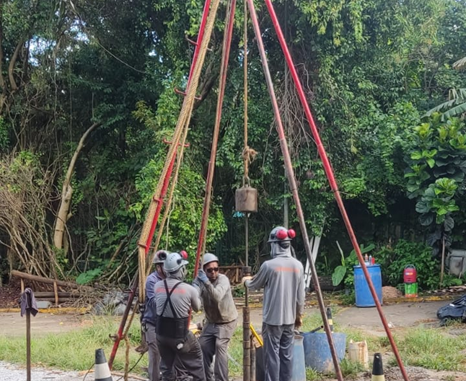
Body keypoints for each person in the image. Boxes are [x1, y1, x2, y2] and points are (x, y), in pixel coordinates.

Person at [243, 226, 305, 381]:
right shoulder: (297, 266)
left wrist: (245, 281)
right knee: (287, 356)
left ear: (275, 244)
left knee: (272, 358)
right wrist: (299, 315)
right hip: (290, 321)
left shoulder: (269, 266)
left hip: (272, 321)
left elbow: (253, 285)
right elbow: (301, 296)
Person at [154, 252, 205, 381]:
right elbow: (197, 307)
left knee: (167, 368)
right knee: (196, 358)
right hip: (179, 337)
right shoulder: (189, 289)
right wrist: (196, 289)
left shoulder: (157, 286)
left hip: (161, 337)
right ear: (180, 270)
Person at [193, 253, 238, 381]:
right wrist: (195, 286)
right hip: (211, 322)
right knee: (202, 346)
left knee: (220, 346)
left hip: (227, 321)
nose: (213, 272)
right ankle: (207, 378)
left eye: (216, 269)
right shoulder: (202, 281)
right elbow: (196, 302)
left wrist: (206, 282)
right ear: (204, 271)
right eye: (209, 270)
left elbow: (217, 297)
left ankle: (221, 379)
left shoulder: (223, 279)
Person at [141, 250, 170, 381]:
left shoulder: (172, 278)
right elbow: (154, 303)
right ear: (158, 266)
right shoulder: (151, 280)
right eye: (165, 265)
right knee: (155, 354)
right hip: (152, 324)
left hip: (167, 324)